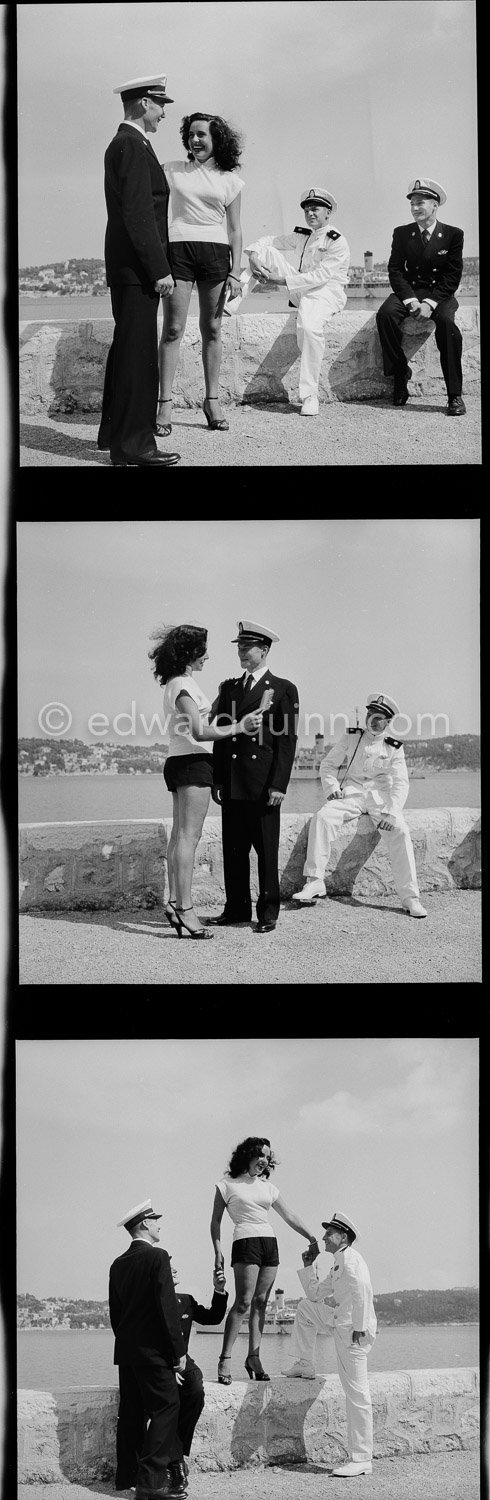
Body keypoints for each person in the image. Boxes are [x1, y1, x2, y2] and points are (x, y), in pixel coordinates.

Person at [149, 624, 264, 938]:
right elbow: (200, 731)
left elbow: (200, 719)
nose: (208, 656)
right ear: (190, 653)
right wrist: (241, 726)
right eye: (204, 650)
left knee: (179, 838)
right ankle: (186, 909)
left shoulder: (179, 683)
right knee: (189, 838)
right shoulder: (183, 685)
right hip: (193, 762)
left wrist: (220, 700)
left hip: (179, 760)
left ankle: (174, 903)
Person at [97, 75, 181, 468]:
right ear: (145, 103)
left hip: (128, 268)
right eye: (161, 105)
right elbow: (138, 215)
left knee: (127, 351)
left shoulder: (126, 143)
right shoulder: (131, 145)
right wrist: (158, 270)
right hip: (137, 270)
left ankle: (116, 434)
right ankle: (134, 446)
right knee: (137, 356)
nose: (164, 114)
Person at [293, 692, 427, 918]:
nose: (372, 722)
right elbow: (327, 765)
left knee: (401, 832)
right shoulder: (351, 738)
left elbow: (401, 783)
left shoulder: (394, 747)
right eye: (370, 716)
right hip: (352, 795)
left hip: (380, 799)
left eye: (378, 719)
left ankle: (410, 897)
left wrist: (392, 813)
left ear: (388, 722)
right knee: (323, 818)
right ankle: (315, 882)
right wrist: (331, 787)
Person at [208, 620, 299, 933]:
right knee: (233, 850)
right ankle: (235, 909)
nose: (242, 652)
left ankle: (268, 912)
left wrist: (279, 784)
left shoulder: (283, 689)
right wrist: (218, 779)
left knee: (265, 851)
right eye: (239, 647)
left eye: (248, 647)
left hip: (262, 785)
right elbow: (222, 736)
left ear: (265, 650)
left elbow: (287, 741)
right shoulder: (229, 688)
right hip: (233, 781)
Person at [157, 112, 244, 435]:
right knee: (173, 328)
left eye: (202, 135)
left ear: (215, 139)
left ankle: (212, 401)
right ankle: (164, 404)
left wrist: (235, 272)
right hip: (178, 251)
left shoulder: (230, 180)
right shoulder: (172, 170)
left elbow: (235, 230)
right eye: (191, 135)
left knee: (212, 328)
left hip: (215, 254)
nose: (196, 140)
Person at [210, 1136, 319, 1384]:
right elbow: (215, 1221)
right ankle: (225, 1358)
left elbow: (289, 1214)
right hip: (245, 1241)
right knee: (243, 1302)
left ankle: (254, 1357)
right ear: (248, 1154)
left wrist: (311, 1237)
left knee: (261, 1302)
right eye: (261, 1155)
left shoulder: (268, 1187)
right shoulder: (226, 1184)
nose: (264, 1161)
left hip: (269, 1243)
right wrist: (217, 1251)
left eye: (268, 1157)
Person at [115, 1257, 228, 1492]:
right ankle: (175, 1462)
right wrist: (168, 1367)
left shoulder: (185, 1300)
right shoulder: (147, 1305)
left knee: (195, 1391)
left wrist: (219, 1291)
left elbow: (212, 1318)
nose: (174, 1269)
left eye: (174, 1266)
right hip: (159, 1363)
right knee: (161, 1407)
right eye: (169, 1267)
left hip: (183, 1361)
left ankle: (175, 1452)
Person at [282, 1212, 377, 1479]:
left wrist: (359, 1328)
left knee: (357, 1393)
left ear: (343, 1237)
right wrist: (309, 1265)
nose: (323, 1236)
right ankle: (305, 1363)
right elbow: (314, 1295)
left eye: (329, 1233)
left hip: (353, 1332)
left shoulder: (350, 1259)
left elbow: (362, 1291)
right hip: (341, 1324)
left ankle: (361, 1458)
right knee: (304, 1308)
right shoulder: (338, 1263)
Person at [245, 187, 350, 416]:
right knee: (267, 252)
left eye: (316, 209)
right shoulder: (302, 235)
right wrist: (253, 254)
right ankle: (230, 303)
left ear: (328, 213)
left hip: (326, 293)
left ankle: (310, 396)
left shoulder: (336, 241)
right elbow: (269, 240)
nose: (310, 213)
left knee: (310, 328)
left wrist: (280, 280)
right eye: (307, 209)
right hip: (302, 289)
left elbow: (321, 277)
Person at [109, 1198, 188, 1500]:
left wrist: (129, 1344)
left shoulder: (118, 1264)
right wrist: (177, 1352)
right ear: (144, 1224)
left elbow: (116, 1314)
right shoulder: (158, 1257)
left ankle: (126, 1476)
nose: (159, 1224)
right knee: (167, 1407)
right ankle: (151, 1482)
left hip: (127, 1351)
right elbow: (167, 1308)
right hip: (154, 1352)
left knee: (131, 1413)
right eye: (155, 1220)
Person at [376, 177, 466, 415]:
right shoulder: (402, 233)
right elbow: (395, 269)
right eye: (412, 204)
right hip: (410, 292)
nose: (415, 208)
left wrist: (430, 303)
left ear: (435, 205)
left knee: (447, 324)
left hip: (440, 294)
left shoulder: (453, 235)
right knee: (385, 315)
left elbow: (453, 275)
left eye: (421, 203)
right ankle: (400, 374)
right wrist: (411, 300)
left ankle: (454, 395)